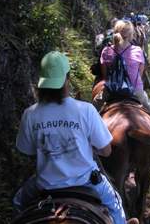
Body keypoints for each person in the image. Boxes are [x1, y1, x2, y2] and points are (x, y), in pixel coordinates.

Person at [13, 51, 127, 224]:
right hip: (87, 182)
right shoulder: (86, 110)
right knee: (116, 205)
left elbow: (26, 150)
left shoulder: (30, 114)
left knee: (17, 203)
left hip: (44, 184)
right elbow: (106, 150)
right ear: (67, 79)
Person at [94, 20, 150, 113]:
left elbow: (105, 75)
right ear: (131, 35)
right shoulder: (138, 51)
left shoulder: (106, 50)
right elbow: (139, 74)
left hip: (111, 90)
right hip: (135, 90)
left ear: (115, 33)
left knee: (94, 107)